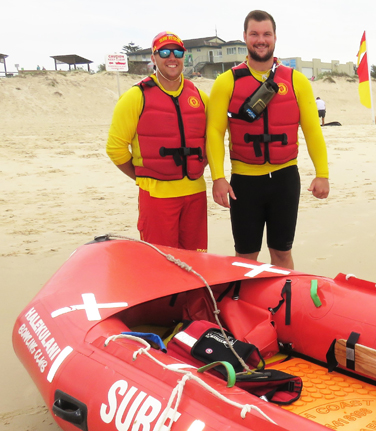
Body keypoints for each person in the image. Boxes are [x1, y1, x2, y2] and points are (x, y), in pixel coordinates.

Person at [206, 10, 329, 270]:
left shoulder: (296, 81)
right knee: (246, 258)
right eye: (254, 34)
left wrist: (322, 173)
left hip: (285, 180)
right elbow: (215, 132)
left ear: (274, 37)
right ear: (245, 37)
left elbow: (312, 130)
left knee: (282, 253)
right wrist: (218, 177)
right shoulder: (226, 82)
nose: (260, 40)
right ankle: (243, 306)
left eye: (266, 34)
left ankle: (285, 306)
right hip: (244, 183)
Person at [106, 31, 209, 251]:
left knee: (197, 263)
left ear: (184, 56)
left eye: (177, 52)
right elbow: (115, 148)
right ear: (153, 58)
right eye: (164, 52)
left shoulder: (200, 97)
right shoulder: (135, 97)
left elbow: (213, 141)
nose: (171, 57)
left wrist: (199, 163)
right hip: (156, 196)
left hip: (195, 195)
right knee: (162, 264)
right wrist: (142, 175)